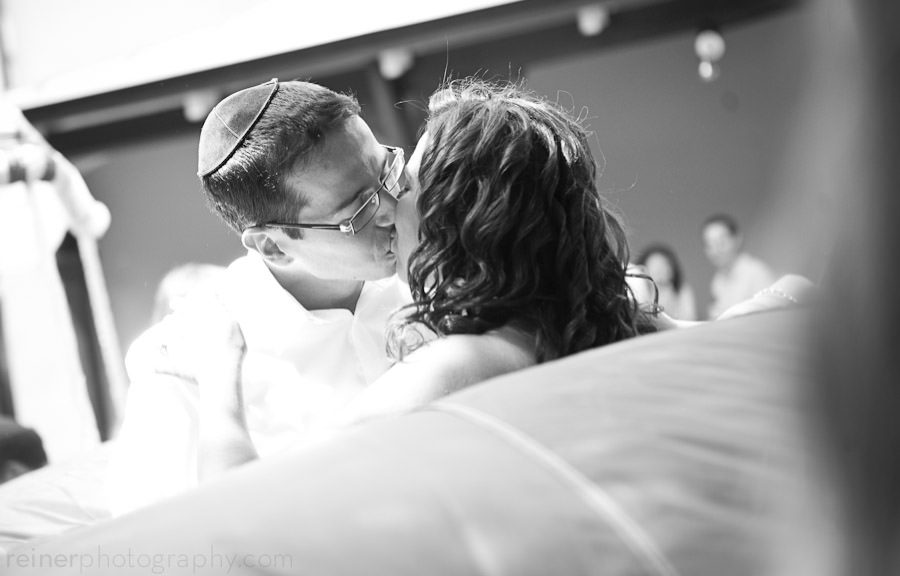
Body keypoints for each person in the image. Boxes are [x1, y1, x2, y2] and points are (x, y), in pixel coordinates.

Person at [105, 79, 411, 514]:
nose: (394, 207)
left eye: (387, 171)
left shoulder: (435, 253)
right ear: (272, 246)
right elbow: (157, 532)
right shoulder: (185, 364)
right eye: (360, 210)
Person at [701, 213, 775, 319]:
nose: (715, 251)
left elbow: (771, 314)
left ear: (737, 239)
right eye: (709, 245)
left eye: (721, 243)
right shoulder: (717, 280)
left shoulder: (756, 272)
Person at [634, 243, 698, 320]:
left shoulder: (682, 291)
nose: (660, 271)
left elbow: (690, 319)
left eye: (664, 265)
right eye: (655, 266)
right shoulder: (637, 292)